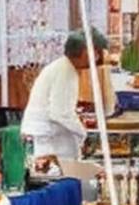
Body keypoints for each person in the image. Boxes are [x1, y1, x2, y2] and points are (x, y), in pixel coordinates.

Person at [21, 29, 108, 163]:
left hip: (46, 136)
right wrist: (83, 134)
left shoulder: (61, 67)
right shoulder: (66, 72)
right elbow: (60, 113)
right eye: (96, 52)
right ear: (85, 52)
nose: (97, 57)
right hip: (48, 139)